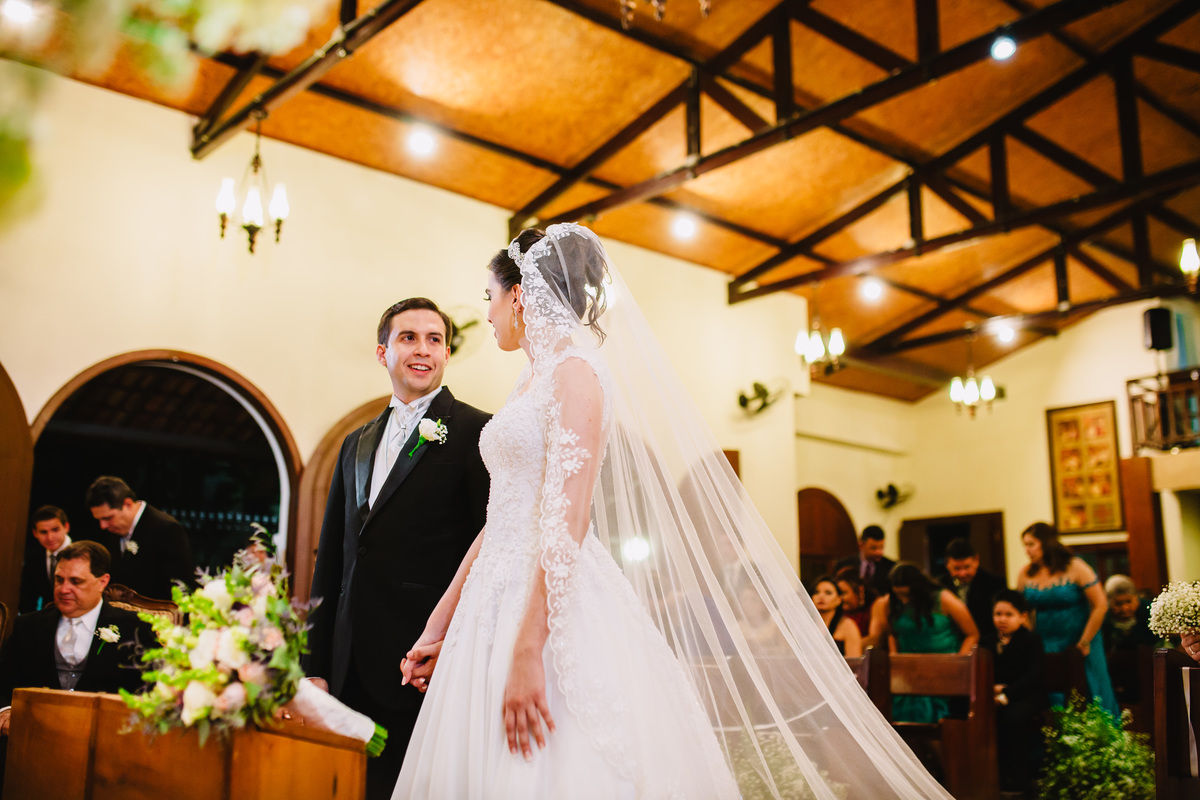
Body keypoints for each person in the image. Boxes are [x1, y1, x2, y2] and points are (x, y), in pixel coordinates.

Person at [393, 224, 950, 799]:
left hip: (547, 605)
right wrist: (440, 625)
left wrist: (531, 647)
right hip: (491, 599)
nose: (486, 313)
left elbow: (569, 519)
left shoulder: (576, 375)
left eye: (490, 296)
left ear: (519, 293)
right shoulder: (527, 382)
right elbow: (500, 517)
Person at [304, 297, 491, 800]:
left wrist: (452, 644)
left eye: (434, 339)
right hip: (348, 664)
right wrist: (315, 664)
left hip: (424, 660)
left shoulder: (479, 432)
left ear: (448, 354)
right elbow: (333, 559)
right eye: (408, 338)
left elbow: (492, 545)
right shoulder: (354, 443)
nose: (422, 350)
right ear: (383, 352)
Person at [0, 541, 154, 734]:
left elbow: (151, 687)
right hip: (34, 733)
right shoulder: (28, 626)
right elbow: (3, 681)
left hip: (107, 736)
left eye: (75, 581)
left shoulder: (133, 627)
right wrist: (5, 710)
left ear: (102, 582)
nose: (63, 589)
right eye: (59, 580)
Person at [1016, 522, 1118, 716]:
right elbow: (1021, 610)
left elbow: (1100, 605)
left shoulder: (1076, 567)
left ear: (1046, 543)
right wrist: (1028, 637)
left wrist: (1085, 641)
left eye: (1030, 544)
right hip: (1045, 643)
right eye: (1025, 545)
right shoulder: (1025, 573)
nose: (1026, 550)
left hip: (1080, 641)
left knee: (1090, 693)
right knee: (1052, 696)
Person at [868, 562, 979, 723]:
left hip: (943, 668)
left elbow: (972, 634)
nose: (903, 600)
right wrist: (895, 658)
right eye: (899, 595)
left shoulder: (943, 598)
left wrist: (959, 663)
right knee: (897, 712)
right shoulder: (890, 603)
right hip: (909, 670)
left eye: (907, 594)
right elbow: (893, 633)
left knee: (928, 713)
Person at [981, 589, 1046, 798]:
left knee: (1014, 717)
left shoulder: (1030, 640)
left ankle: (1020, 779)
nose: (1002, 619)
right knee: (982, 716)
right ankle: (992, 775)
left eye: (1008, 615)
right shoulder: (988, 641)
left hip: (1027, 695)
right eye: (998, 614)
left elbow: (1033, 676)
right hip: (995, 696)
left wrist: (1006, 693)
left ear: (1022, 616)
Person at [87, 476, 196, 600]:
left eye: (108, 518)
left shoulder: (166, 529)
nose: (103, 526)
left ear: (127, 504)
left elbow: (182, 586)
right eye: (99, 520)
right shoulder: (112, 529)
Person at [937, 537, 1007, 640]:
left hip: (986, 644)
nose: (962, 573)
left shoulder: (996, 583)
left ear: (976, 560)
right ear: (947, 564)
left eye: (967, 567)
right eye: (957, 568)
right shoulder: (939, 585)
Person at [18, 505, 73, 613]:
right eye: (43, 532)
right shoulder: (34, 558)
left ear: (66, 527)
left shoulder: (85, 553)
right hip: (47, 619)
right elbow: (27, 600)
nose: (50, 537)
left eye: (55, 530)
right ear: (35, 533)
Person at [1100, 574, 1156, 655]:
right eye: (1118, 604)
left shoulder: (1151, 610)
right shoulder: (1103, 617)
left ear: (1136, 598)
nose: (1125, 608)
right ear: (1108, 603)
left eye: (1128, 601)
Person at [810, 575, 862, 657]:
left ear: (839, 599)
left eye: (828, 593)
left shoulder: (848, 626)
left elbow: (854, 663)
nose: (821, 596)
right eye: (816, 592)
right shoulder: (805, 624)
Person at [836, 525, 895, 596]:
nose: (879, 552)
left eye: (881, 547)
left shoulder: (890, 566)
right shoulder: (844, 564)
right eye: (873, 548)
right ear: (861, 545)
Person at [835, 567, 874, 636]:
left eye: (843, 593)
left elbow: (874, 639)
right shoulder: (835, 611)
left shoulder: (874, 606)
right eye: (838, 593)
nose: (840, 598)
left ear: (860, 589)